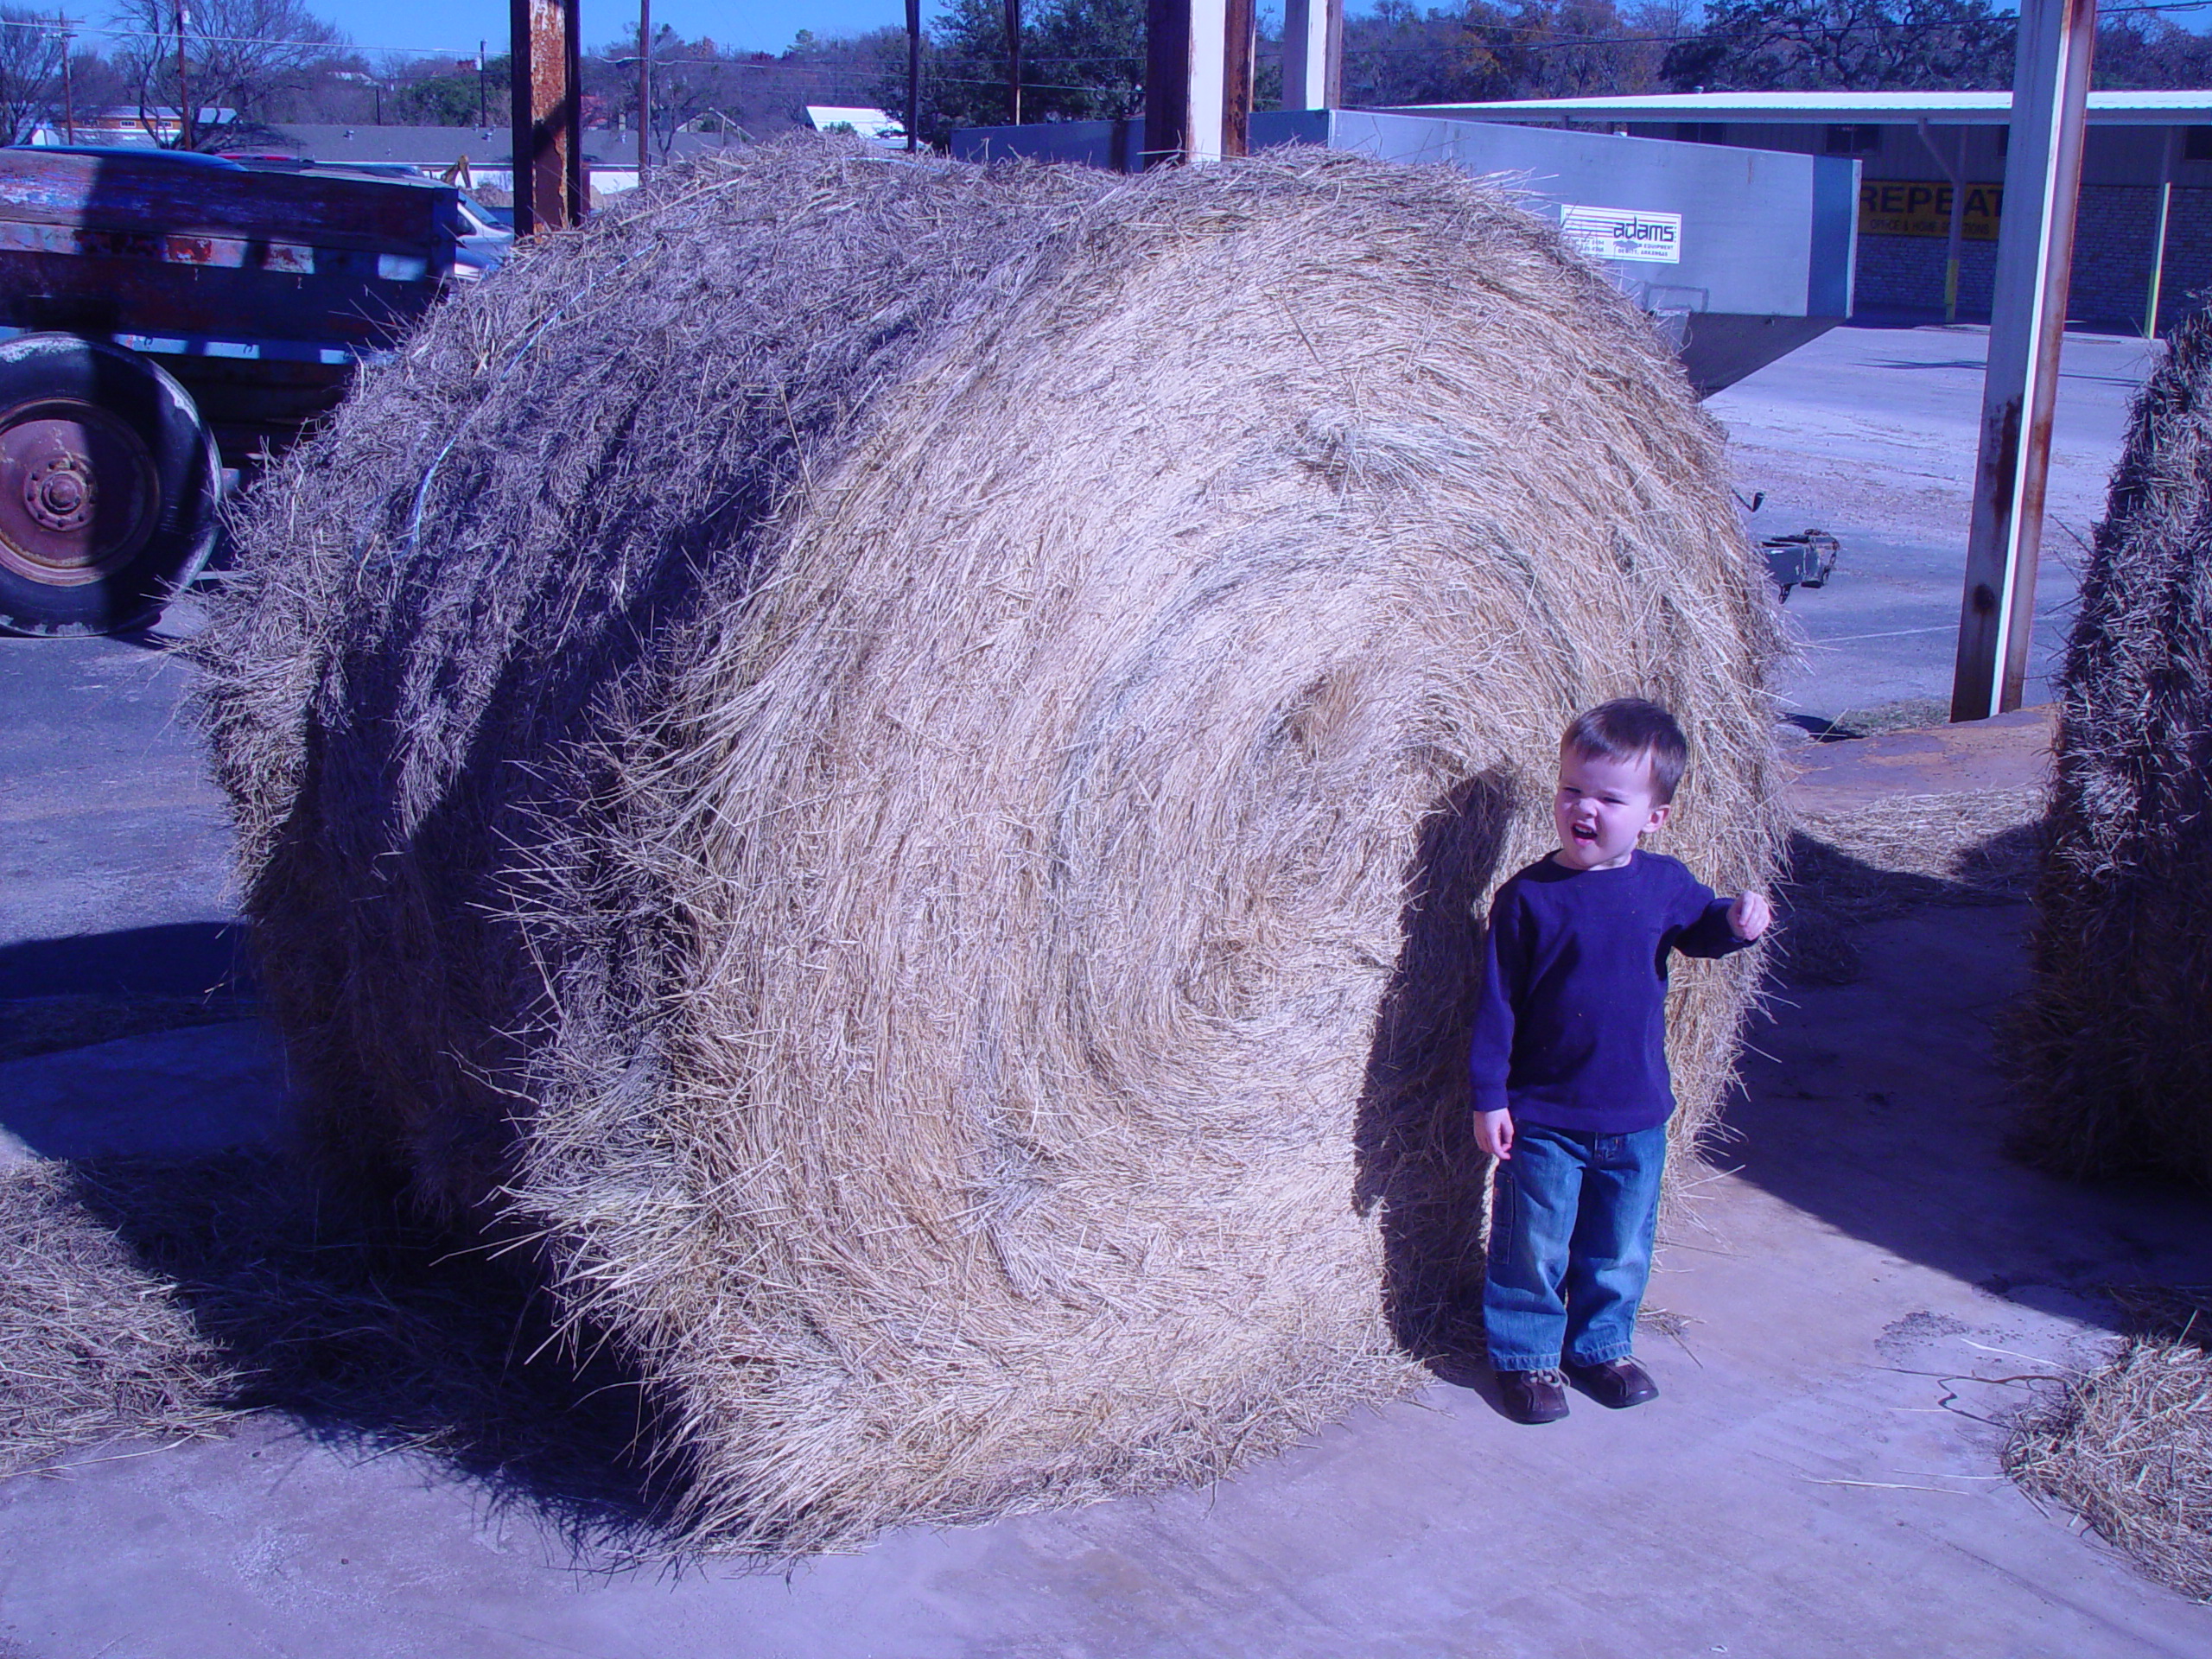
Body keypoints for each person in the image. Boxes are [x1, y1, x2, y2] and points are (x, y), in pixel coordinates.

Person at [1468, 698, 1771, 1425]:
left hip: (1636, 1113)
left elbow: (1700, 929)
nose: (1584, 808)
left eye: (1609, 797)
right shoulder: (1527, 900)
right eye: (1572, 789)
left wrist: (1734, 921)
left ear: (1654, 817)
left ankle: (1600, 1347)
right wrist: (1490, 1096)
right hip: (1545, 1114)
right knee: (1531, 1246)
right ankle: (1527, 1358)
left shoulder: (1664, 885)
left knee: (1619, 1245)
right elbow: (1498, 1004)